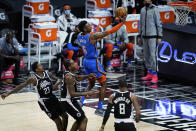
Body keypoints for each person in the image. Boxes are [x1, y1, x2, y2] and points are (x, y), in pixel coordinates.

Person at [77, 15, 127, 116]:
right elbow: (109, 31)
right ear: (84, 29)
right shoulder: (92, 36)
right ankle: (99, 109)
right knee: (104, 84)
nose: (90, 26)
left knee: (91, 84)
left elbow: (91, 42)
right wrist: (122, 23)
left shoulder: (79, 35)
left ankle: (80, 102)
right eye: (88, 26)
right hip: (93, 62)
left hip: (85, 61)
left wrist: (99, 38)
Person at [1, 62, 68, 131]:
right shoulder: (33, 79)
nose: (42, 66)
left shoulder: (48, 74)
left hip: (53, 97)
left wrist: (56, 85)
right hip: (45, 101)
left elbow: (58, 79)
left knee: (65, 116)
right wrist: (8, 94)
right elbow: (21, 86)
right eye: (40, 65)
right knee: (58, 121)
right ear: (36, 69)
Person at [61, 59, 95, 131]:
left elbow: (78, 78)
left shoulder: (70, 73)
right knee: (83, 119)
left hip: (70, 100)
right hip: (67, 101)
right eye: (73, 63)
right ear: (70, 67)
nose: (76, 63)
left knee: (80, 119)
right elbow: (72, 94)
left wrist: (88, 75)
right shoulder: (69, 77)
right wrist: (87, 93)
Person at [138, 0, 163, 83]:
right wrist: (139, 36)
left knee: (153, 56)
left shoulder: (155, 9)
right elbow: (140, 23)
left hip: (153, 36)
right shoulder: (142, 10)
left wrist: (159, 36)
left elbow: (158, 23)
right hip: (144, 36)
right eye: (145, 0)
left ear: (151, 1)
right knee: (146, 55)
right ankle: (149, 73)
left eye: (148, 0)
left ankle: (155, 74)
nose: (146, 1)